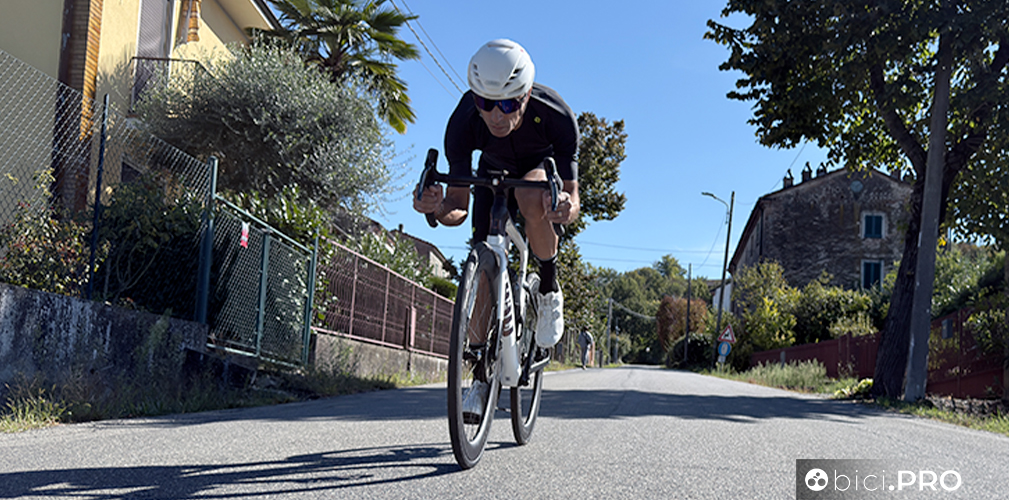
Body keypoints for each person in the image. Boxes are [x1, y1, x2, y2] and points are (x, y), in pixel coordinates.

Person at [414, 38, 580, 350]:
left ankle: (547, 288)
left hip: (538, 171)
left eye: (507, 104)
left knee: (530, 197)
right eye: (486, 103)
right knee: (482, 266)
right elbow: (458, 207)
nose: (496, 116)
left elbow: (573, 200)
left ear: (526, 95)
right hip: (491, 174)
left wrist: (564, 208)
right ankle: (478, 374)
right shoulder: (463, 121)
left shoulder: (556, 114)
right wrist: (435, 207)